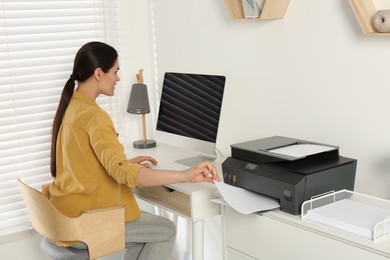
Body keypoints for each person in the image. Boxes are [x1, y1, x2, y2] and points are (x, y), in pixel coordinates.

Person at [49, 41, 220, 260]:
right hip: (87, 221)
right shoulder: (94, 116)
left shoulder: (71, 106)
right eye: (116, 71)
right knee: (166, 230)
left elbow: (83, 161)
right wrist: (184, 175)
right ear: (99, 73)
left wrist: (125, 162)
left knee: (150, 235)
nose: (118, 79)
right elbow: (123, 174)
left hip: (68, 214)